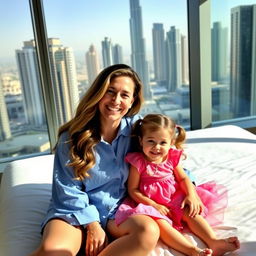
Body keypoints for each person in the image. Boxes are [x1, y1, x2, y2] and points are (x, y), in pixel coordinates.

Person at [29, 64, 161, 256]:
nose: (116, 100)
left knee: (148, 232)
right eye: (110, 92)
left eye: (125, 95)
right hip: (75, 210)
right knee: (54, 250)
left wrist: (188, 185)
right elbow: (66, 189)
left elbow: (162, 155)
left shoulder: (137, 131)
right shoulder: (72, 136)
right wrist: (92, 224)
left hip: (117, 210)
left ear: (132, 101)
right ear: (99, 93)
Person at [115, 114, 240, 256]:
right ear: (141, 141)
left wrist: (191, 195)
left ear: (171, 143)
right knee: (159, 223)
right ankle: (192, 251)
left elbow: (183, 178)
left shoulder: (171, 158)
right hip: (151, 203)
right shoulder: (138, 162)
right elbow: (133, 190)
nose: (156, 147)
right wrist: (153, 205)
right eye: (151, 141)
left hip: (173, 197)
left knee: (190, 210)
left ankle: (213, 241)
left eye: (163, 143)